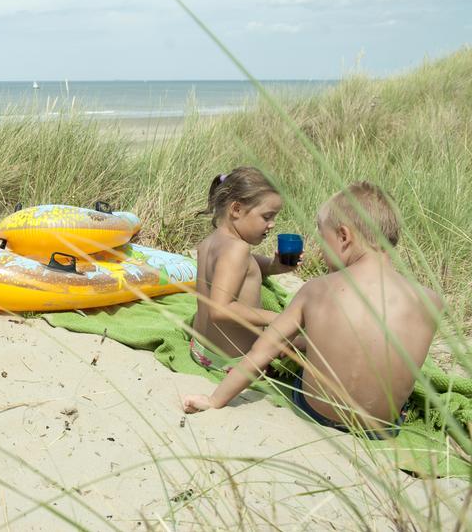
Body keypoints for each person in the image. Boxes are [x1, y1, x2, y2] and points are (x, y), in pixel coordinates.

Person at [183, 182, 443, 438]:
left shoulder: (315, 290)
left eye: (323, 237)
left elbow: (261, 352)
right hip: (381, 429)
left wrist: (214, 400)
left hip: (317, 412)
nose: (321, 248)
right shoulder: (431, 301)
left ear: (343, 237)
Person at [190, 167, 301, 372]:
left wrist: (274, 266)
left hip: (201, 350)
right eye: (267, 216)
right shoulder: (237, 249)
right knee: (308, 339)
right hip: (234, 363)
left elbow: (241, 267)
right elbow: (220, 310)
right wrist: (276, 318)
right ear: (236, 209)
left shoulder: (212, 241)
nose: (272, 224)